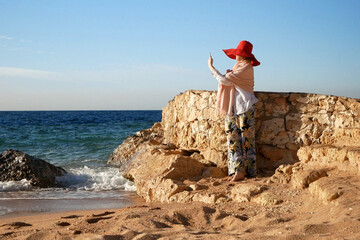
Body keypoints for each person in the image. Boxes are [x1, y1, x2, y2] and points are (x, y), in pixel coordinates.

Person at [208, 40, 260, 182]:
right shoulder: (238, 67)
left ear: (243, 55)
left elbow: (225, 81)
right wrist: (229, 74)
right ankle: (236, 171)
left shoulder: (246, 68)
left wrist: (211, 67)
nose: (236, 55)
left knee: (246, 139)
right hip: (234, 107)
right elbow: (229, 80)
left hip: (245, 106)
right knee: (233, 138)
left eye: (238, 53)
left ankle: (247, 172)